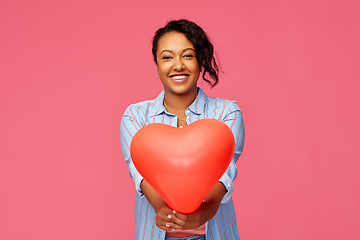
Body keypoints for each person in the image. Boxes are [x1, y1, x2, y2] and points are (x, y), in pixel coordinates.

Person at [120, 19, 245, 240]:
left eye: (187, 55)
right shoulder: (135, 116)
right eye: (167, 57)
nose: (178, 65)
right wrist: (161, 209)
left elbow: (225, 171)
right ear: (157, 64)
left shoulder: (227, 112)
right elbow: (139, 172)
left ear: (200, 61)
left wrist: (205, 212)